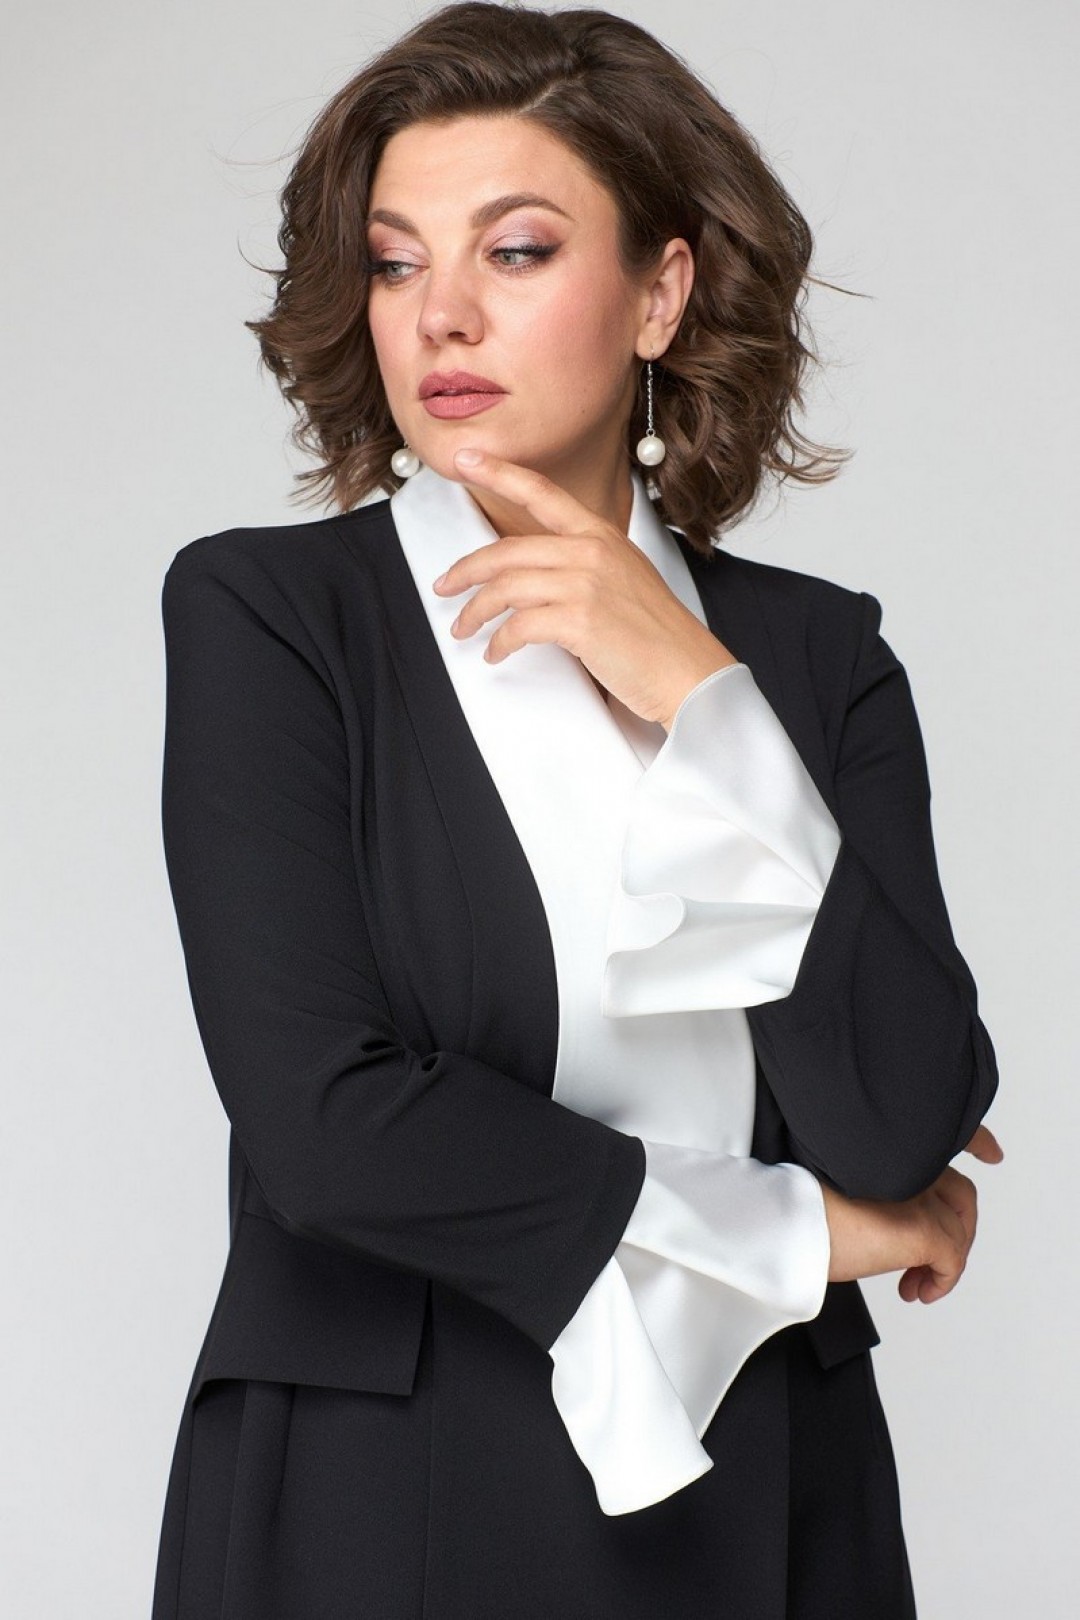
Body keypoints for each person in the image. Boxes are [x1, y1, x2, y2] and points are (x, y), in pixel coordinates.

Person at [149, 4, 1003, 1616]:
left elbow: (904, 1114)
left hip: (775, 1487)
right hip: (380, 1487)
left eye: (517, 250)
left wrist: (705, 702)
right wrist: (795, 1232)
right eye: (395, 262)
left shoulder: (815, 659)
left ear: (661, 292)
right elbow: (328, 1131)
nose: (441, 313)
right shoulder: (272, 617)